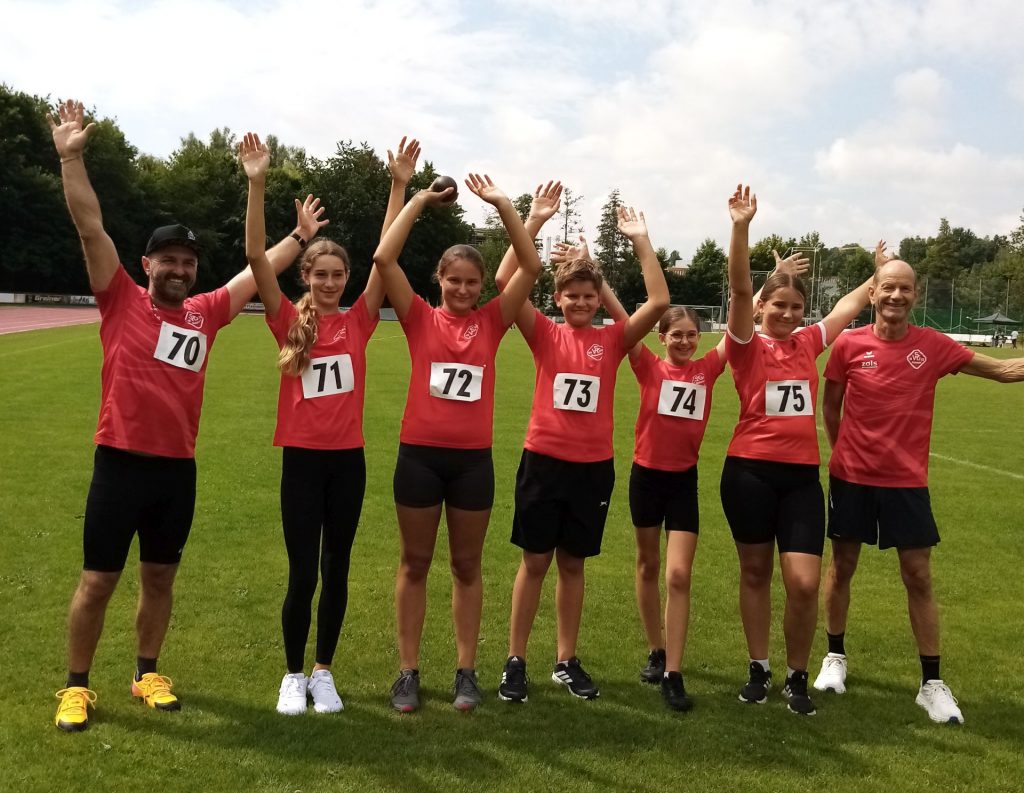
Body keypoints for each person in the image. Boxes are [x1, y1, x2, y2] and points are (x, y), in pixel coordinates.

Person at [49, 100, 326, 731]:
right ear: (146, 265)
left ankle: (147, 673)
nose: (179, 269)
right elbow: (91, 227)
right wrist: (70, 160)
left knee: (159, 579)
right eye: (168, 260)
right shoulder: (120, 298)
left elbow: (258, 272)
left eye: (188, 262)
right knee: (97, 581)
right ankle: (76, 686)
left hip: (177, 470)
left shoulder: (206, 311)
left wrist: (300, 236)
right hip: (119, 464)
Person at [812, 248, 1024, 724]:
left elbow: (1003, 371)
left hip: (906, 482)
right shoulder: (848, 346)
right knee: (841, 566)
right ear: (873, 294)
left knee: (919, 576)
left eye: (905, 288)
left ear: (916, 295)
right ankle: (835, 657)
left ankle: (931, 684)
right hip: (851, 478)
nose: (896, 295)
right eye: (888, 286)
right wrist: (841, 451)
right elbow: (831, 406)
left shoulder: (933, 345)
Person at [242, 132, 411, 714]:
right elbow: (256, 260)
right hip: (302, 463)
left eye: (339, 274)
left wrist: (398, 187)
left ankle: (323, 672)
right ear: (307, 277)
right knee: (302, 573)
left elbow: (385, 256)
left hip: (347, 463)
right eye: (321, 275)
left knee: (337, 569)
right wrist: (257, 185)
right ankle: (292, 675)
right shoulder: (288, 322)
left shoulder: (361, 319)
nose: (331, 282)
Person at [598, 244, 808, 712]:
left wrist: (769, 284)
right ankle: (656, 650)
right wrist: (599, 277)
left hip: (683, 483)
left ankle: (673, 672)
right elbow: (622, 320)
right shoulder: (647, 365)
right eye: (676, 335)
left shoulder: (709, 368)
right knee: (648, 566)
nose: (685, 342)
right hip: (645, 478)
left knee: (678, 574)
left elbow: (738, 326)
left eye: (692, 335)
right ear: (661, 336)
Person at [372, 163, 548, 712]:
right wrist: (418, 201)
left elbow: (531, 265)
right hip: (419, 459)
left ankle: (466, 672)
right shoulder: (419, 318)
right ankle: (407, 671)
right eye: (455, 281)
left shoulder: (493, 321)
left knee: (467, 567)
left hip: (472, 464)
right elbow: (383, 259)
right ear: (439, 280)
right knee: (414, 563)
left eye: (473, 282)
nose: (465, 289)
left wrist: (505, 207)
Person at [494, 204, 670, 704]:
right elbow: (505, 279)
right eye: (572, 295)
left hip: (592, 470)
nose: (580, 302)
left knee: (573, 565)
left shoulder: (613, 339)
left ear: (599, 299)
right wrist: (532, 221)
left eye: (589, 296)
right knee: (534, 562)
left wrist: (640, 239)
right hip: (543, 463)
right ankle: (515, 660)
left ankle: (565, 660)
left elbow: (659, 301)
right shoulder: (544, 333)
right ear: (557, 298)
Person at [720, 185, 879, 716]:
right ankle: (759, 669)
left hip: (800, 479)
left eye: (795, 307)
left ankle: (796, 675)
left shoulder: (808, 343)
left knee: (804, 583)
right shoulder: (745, 344)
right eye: (778, 306)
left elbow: (848, 307)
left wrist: (879, 276)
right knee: (754, 573)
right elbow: (739, 288)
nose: (787, 314)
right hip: (748, 473)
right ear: (762, 307)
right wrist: (740, 227)